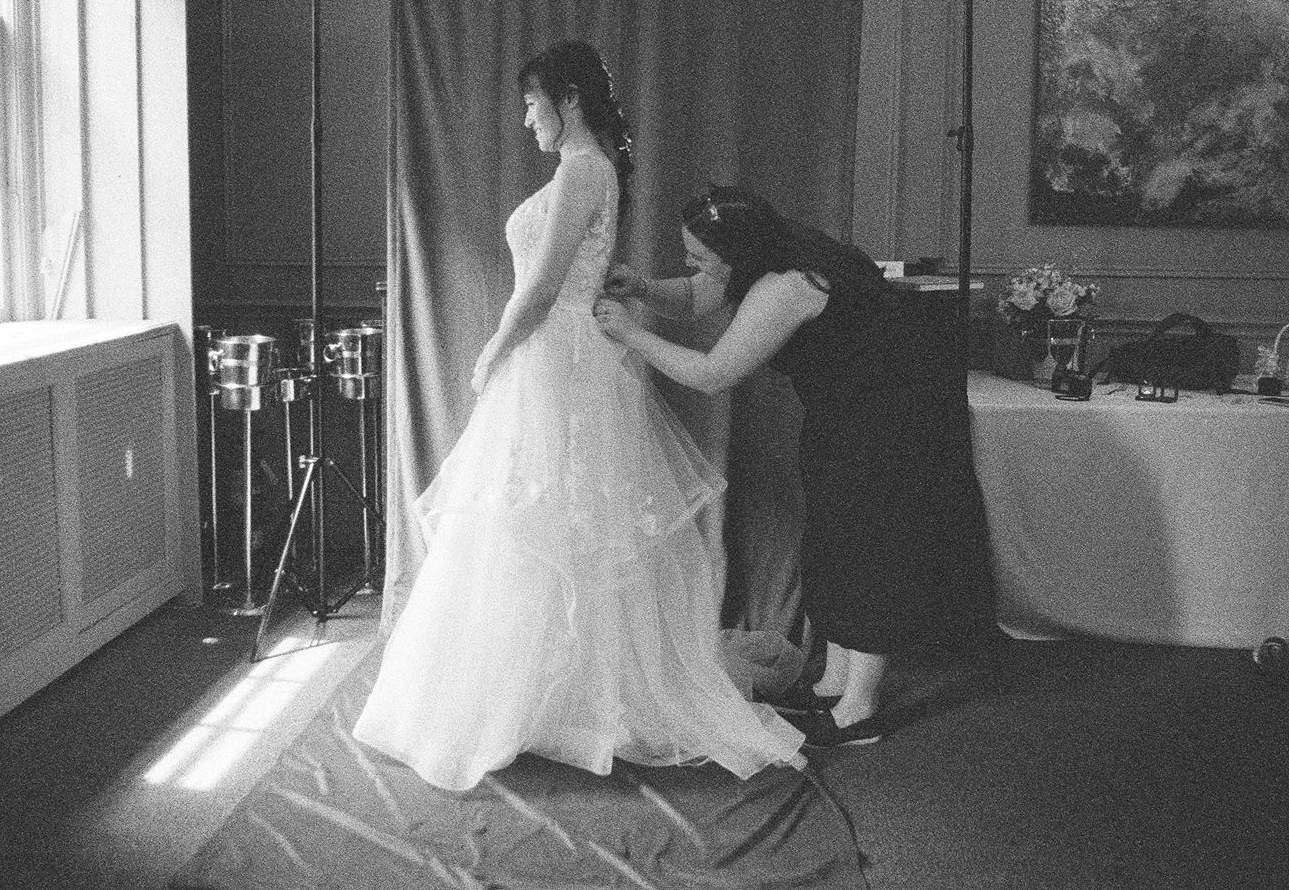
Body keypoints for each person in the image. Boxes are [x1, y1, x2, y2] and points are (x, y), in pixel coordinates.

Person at [352, 44, 805, 790]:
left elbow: (539, 287)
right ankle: (544, 696)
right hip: (564, 358)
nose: (526, 120)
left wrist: (491, 350)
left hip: (555, 358)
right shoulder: (586, 170)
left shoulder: (581, 170)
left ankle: (541, 701)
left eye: (532, 104)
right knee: (549, 525)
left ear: (566, 100)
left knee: (547, 522)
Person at [594, 187, 994, 748]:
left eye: (701, 256)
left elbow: (714, 373)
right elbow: (697, 296)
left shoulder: (790, 287)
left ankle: (859, 713)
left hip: (892, 416)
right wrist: (641, 289)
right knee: (833, 538)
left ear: (738, 254)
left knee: (868, 549)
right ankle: (833, 684)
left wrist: (632, 334)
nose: (691, 265)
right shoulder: (766, 256)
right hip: (845, 409)